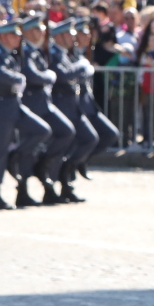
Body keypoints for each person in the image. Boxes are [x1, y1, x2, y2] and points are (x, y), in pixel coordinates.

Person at [16, 15, 73, 207]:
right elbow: (32, 75)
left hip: (45, 104)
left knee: (66, 132)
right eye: (37, 29)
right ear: (29, 32)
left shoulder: (38, 51)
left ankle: (44, 167)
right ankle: (23, 186)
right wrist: (49, 76)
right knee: (30, 147)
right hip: (32, 105)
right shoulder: (25, 51)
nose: (42, 33)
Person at [48, 18, 102, 202]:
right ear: (60, 36)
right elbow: (64, 75)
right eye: (69, 34)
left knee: (89, 138)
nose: (74, 37)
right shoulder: (54, 53)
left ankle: (67, 174)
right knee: (65, 144)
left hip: (73, 105)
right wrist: (82, 67)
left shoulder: (65, 53)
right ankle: (56, 182)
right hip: (61, 104)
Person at [0, 16, 29, 209]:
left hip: (12, 105)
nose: (18, 38)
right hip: (2, 106)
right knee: (0, 151)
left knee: (41, 130)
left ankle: (16, 160)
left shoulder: (9, 53)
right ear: (2, 36)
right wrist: (18, 78)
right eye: (13, 35)